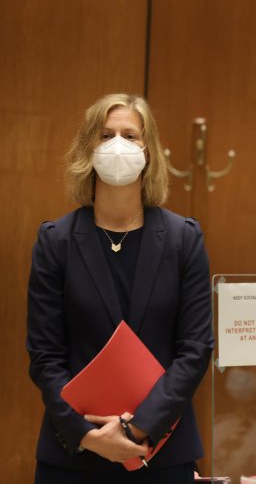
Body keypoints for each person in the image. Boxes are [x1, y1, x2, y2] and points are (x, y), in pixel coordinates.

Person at [26, 94, 214, 483]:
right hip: (73, 455)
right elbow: (45, 357)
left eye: (131, 135)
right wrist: (90, 435)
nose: (117, 145)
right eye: (106, 134)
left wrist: (136, 428)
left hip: (159, 453)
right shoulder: (55, 241)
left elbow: (195, 350)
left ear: (149, 151)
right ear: (87, 148)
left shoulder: (183, 240)